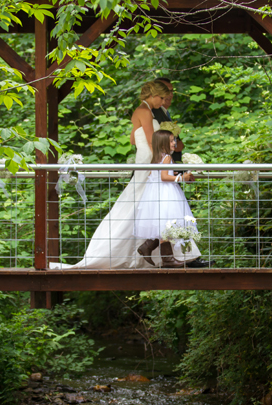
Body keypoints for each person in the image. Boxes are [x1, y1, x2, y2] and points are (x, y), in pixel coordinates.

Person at [50, 80, 201, 269]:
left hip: (146, 159)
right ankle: (147, 252)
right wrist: (170, 142)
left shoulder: (139, 111)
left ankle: (158, 251)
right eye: (161, 97)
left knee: (149, 207)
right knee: (146, 205)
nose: (163, 101)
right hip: (149, 163)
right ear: (152, 95)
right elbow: (151, 140)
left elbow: (133, 138)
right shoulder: (145, 111)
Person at [149, 77, 214, 268]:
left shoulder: (165, 115)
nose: (170, 95)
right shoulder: (154, 115)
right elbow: (175, 151)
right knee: (176, 221)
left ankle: (184, 257)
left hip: (168, 182)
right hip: (168, 185)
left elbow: (178, 146)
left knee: (174, 223)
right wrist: (180, 175)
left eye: (171, 91)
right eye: (166, 92)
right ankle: (186, 258)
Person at [134, 130, 196, 268]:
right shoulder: (167, 157)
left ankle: (147, 247)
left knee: (165, 226)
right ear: (163, 145)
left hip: (156, 192)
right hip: (166, 192)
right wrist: (181, 178)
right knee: (168, 227)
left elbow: (158, 174)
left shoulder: (156, 157)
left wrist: (178, 174)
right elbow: (164, 177)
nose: (175, 143)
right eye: (172, 141)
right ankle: (167, 260)